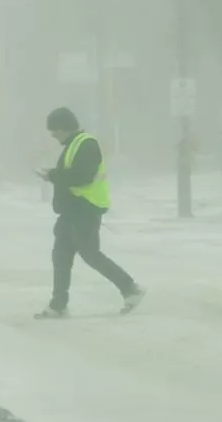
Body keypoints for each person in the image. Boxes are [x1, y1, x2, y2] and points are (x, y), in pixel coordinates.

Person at [34, 107, 144, 319]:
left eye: (54, 131)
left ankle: (131, 288)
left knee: (90, 254)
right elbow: (72, 174)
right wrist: (54, 174)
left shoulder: (87, 143)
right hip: (72, 210)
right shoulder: (73, 145)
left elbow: (82, 176)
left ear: (63, 127)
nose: (53, 136)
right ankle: (58, 304)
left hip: (85, 208)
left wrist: (52, 176)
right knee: (61, 256)